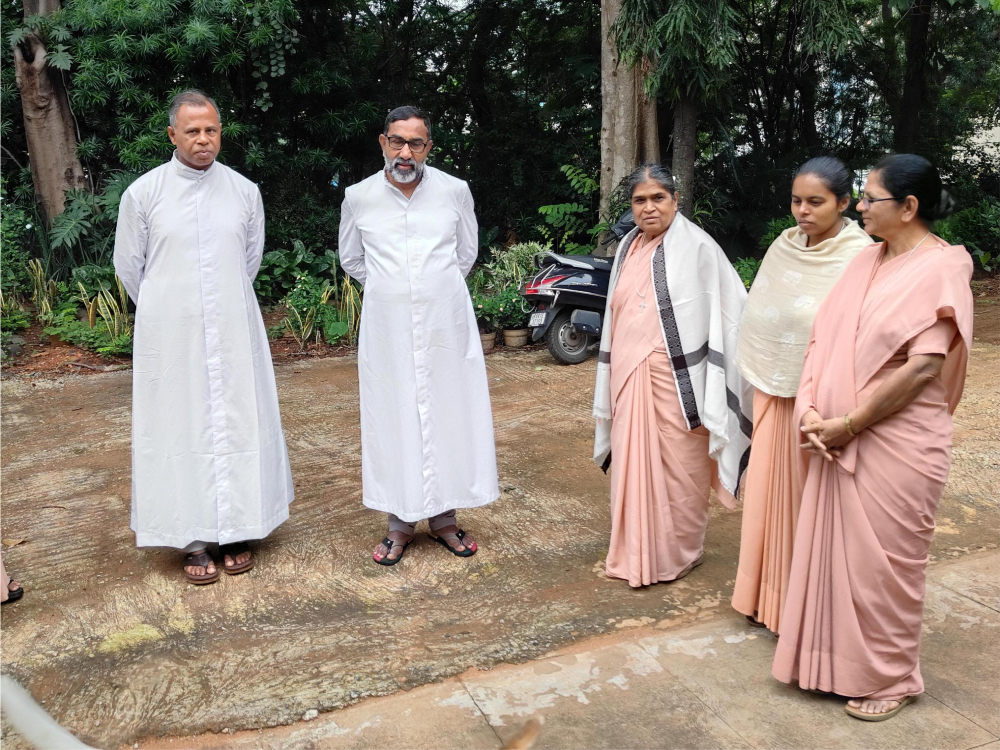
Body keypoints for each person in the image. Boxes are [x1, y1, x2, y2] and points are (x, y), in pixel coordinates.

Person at [771, 154, 973, 721]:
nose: (858, 206)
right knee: (838, 561)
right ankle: (831, 666)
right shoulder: (864, 263)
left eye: (869, 199)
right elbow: (823, 338)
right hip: (831, 435)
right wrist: (811, 408)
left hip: (897, 444)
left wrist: (850, 423)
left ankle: (892, 678)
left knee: (885, 567)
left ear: (909, 208)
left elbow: (922, 368)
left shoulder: (941, 269)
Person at [113, 90, 294, 585]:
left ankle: (235, 528)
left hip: (234, 330)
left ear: (220, 133)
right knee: (178, 424)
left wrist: (219, 303)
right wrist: (173, 307)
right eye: (192, 130)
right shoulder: (144, 194)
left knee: (237, 422)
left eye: (210, 130)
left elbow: (248, 260)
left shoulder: (243, 191)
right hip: (170, 336)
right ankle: (191, 537)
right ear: (172, 134)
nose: (202, 139)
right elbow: (131, 268)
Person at [338, 105, 499, 566]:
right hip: (386, 328)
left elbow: (465, 253)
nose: (405, 152)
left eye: (416, 143)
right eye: (397, 141)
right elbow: (353, 259)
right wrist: (396, 291)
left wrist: (429, 290)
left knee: (449, 413)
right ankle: (398, 525)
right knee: (393, 417)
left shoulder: (454, 191)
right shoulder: (359, 196)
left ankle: (445, 519)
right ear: (382, 142)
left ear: (428, 147)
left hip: (445, 324)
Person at [592, 163, 752, 588]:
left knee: (683, 465)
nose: (648, 208)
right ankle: (634, 550)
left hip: (681, 384)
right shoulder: (626, 246)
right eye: (640, 200)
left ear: (676, 201)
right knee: (631, 459)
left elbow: (732, 310)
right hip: (629, 374)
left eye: (658, 198)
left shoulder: (699, 247)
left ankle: (680, 550)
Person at [731, 157, 871, 632]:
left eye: (816, 202)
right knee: (767, 495)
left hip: (821, 402)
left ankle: (805, 607)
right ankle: (761, 597)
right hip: (773, 389)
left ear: (844, 203)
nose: (803, 212)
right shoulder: (785, 245)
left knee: (809, 504)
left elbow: (861, 335)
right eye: (796, 201)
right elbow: (759, 310)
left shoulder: (860, 256)